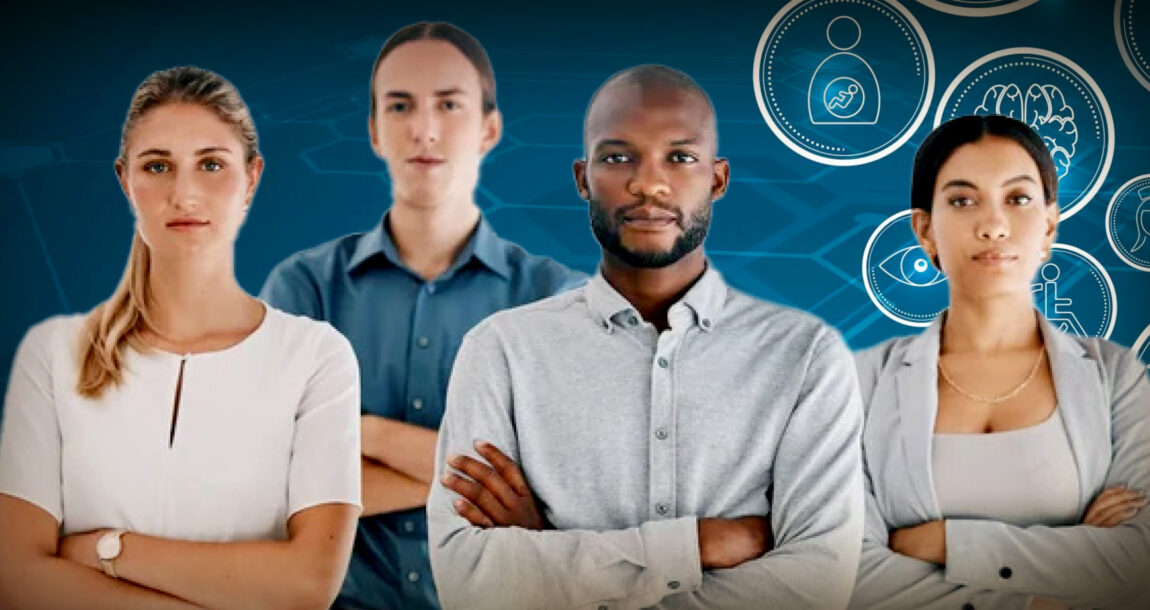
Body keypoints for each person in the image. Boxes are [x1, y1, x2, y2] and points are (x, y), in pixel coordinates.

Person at [427, 64, 864, 610]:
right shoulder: (501, 351)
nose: (648, 183)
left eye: (680, 157)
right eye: (617, 157)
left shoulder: (805, 355)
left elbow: (815, 588)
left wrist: (549, 556)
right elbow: (468, 584)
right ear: (583, 177)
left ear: (718, 178)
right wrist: (694, 546)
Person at [0, 66, 361, 609]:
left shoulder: (316, 356)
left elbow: (308, 585)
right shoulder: (54, 354)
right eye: (158, 166)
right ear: (125, 180)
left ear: (252, 178)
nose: (184, 193)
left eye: (211, 164)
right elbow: (17, 580)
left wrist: (106, 550)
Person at [260, 22, 584, 610]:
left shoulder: (556, 298)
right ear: (375, 131)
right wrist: (488, 479)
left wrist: (362, 434)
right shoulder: (305, 288)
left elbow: (570, 491)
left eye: (449, 104)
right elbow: (274, 487)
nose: (425, 129)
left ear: (489, 128)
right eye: (400, 105)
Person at [849, 114, 1150, 610]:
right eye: (963, 201)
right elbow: (848, 572)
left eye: (1018, 198)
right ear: (925, 230)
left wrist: (947, 543)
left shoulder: (1116, 377)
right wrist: (1046, 595)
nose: (992, 226)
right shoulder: (860, 384)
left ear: (1050, 224)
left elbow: (1136, 562)